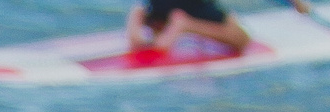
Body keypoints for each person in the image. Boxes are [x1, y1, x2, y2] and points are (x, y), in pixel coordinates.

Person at [127, 0, 313, 55]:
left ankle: (138, 17)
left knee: (154, 12)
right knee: (241, 38)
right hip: (192, 7)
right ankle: (185, 25)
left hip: (158, 6)